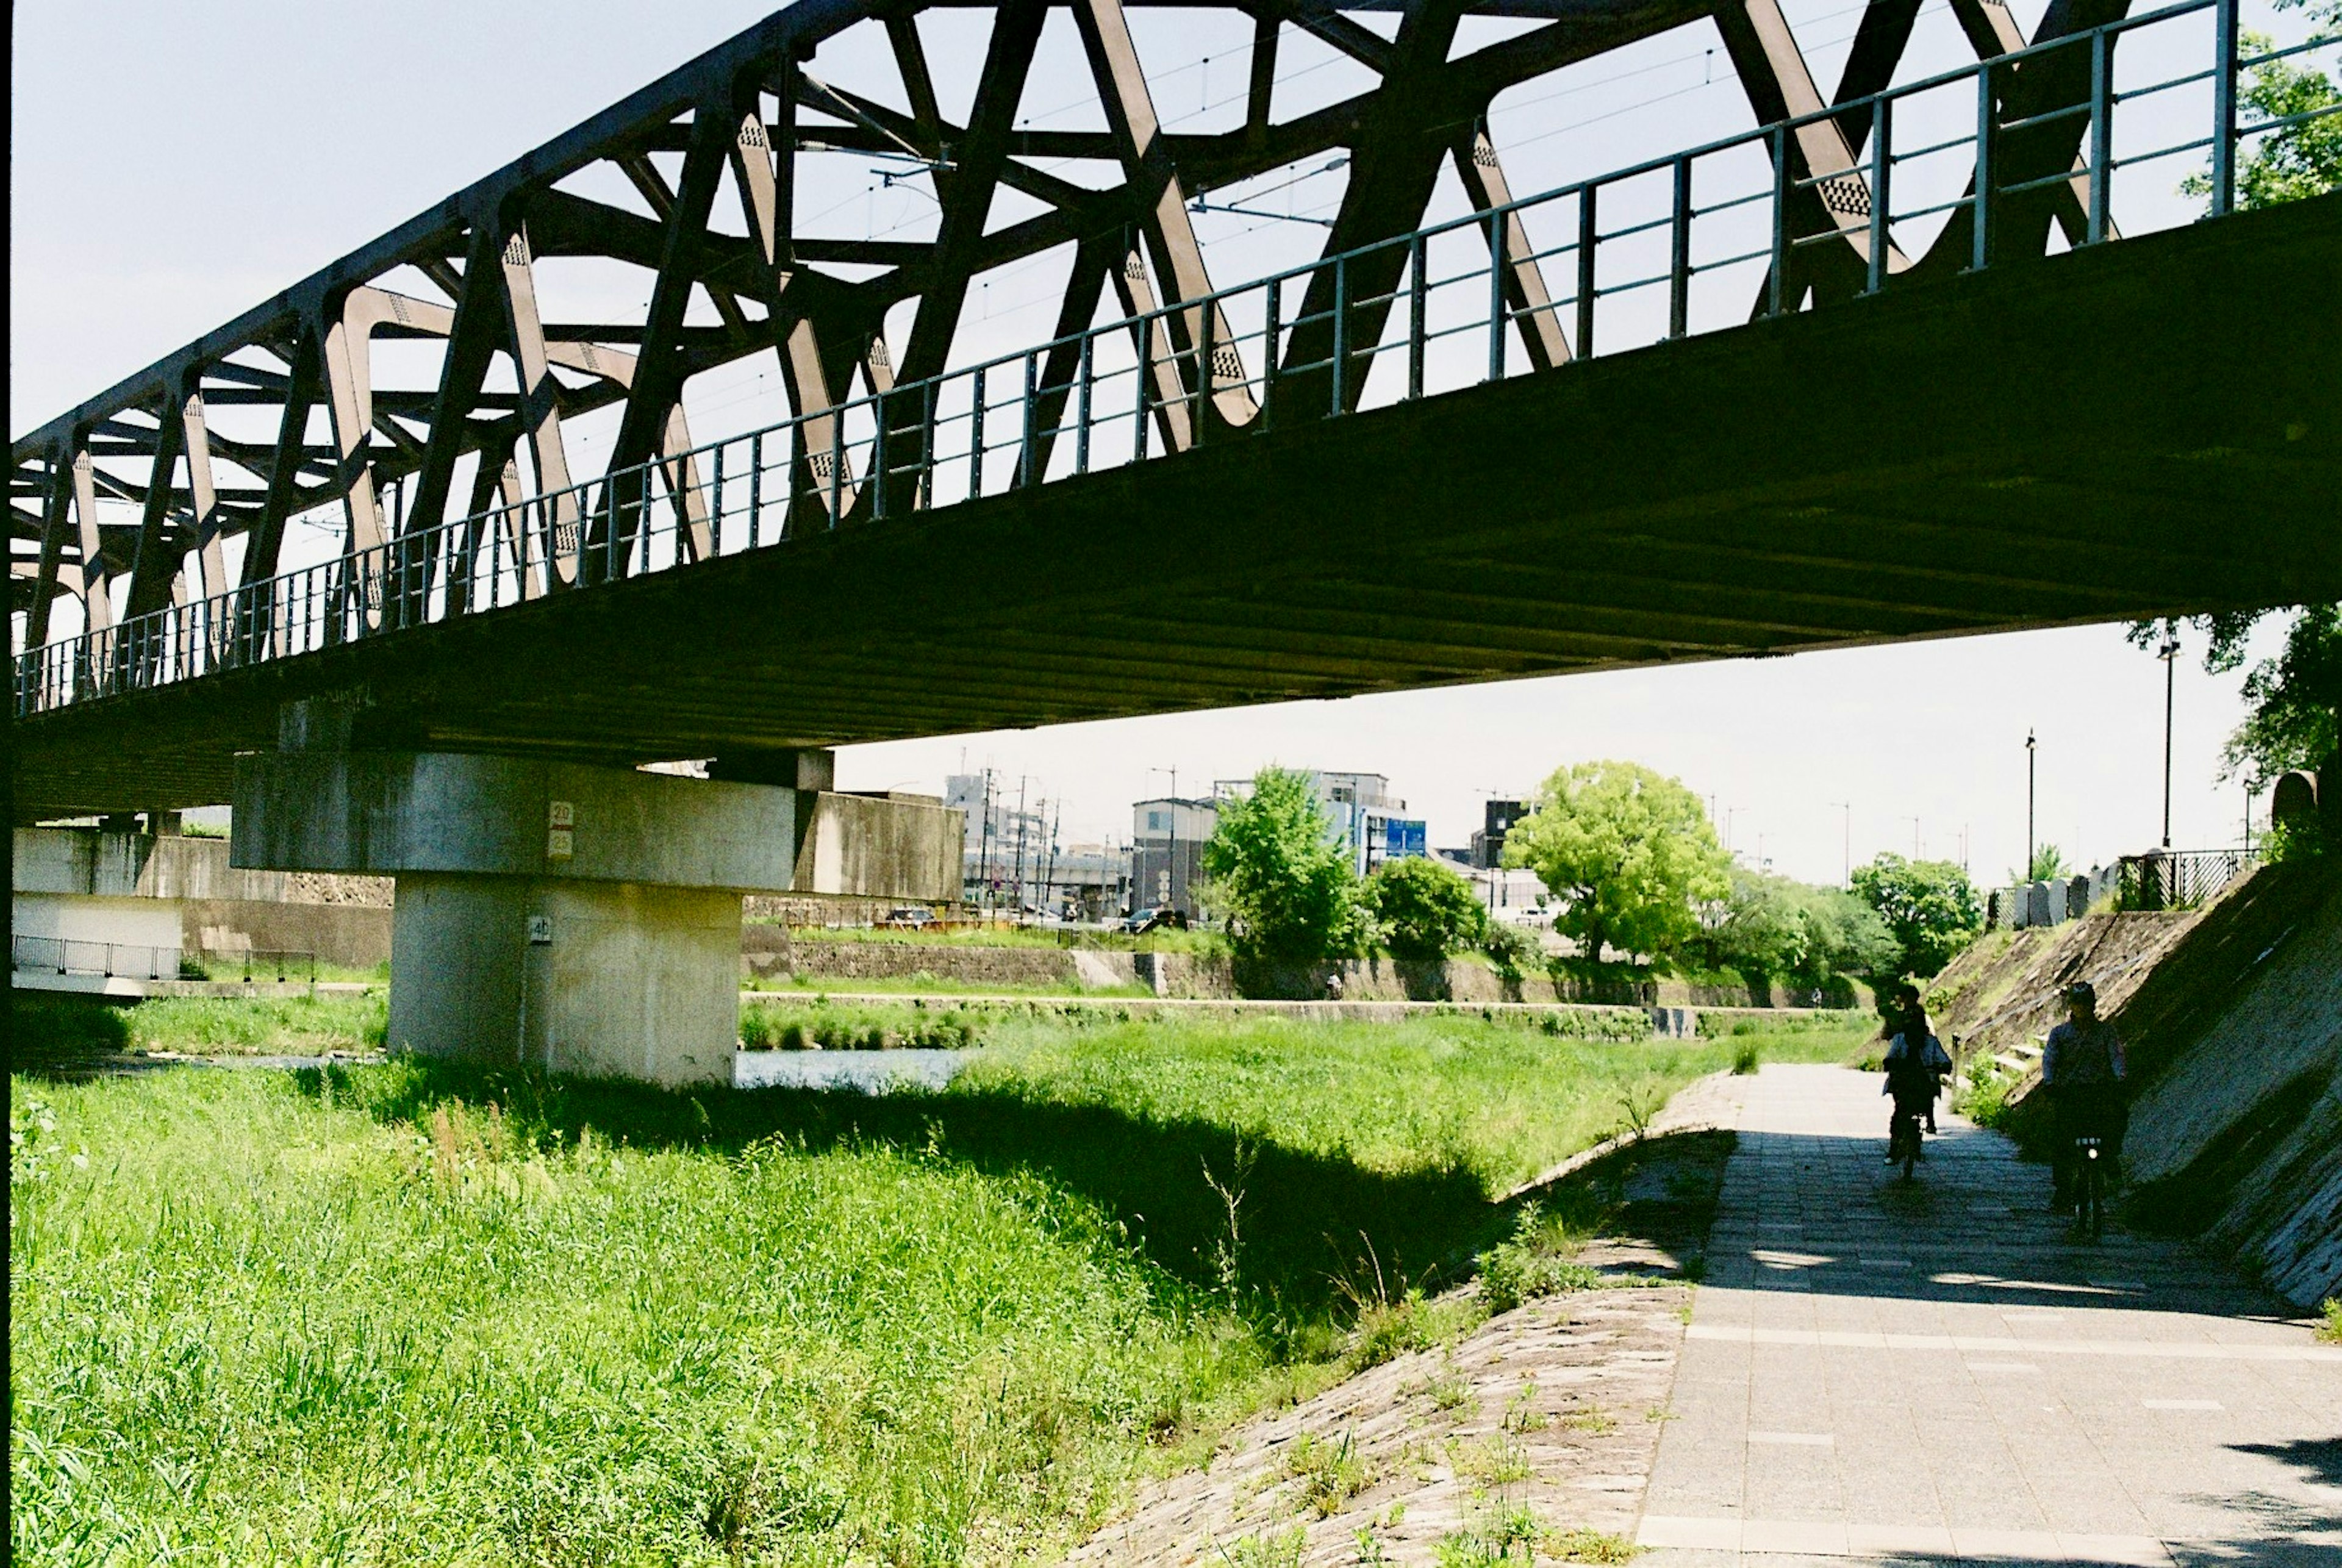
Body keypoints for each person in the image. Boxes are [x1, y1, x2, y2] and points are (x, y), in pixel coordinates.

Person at [2042, 979, 2127, 1214]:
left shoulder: (2106, 1032)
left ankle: (2111, 1162)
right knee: (2062, 1141)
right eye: (2078, 1003)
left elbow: (2116, 1055)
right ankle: (2062, 1191)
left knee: (2116, 1118)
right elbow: (2050, 1059)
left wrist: (2120, 1076)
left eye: (2086, 1003)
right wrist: (2049, 1082)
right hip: (2070, 1093)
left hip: (2098, 1092)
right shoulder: (2060, 1034)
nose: (2082, 1008)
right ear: (2072, 1006)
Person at [1880, 981, 1952, 1161]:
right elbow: (1889, 1058)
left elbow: (1945, 1061)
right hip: (1903, 1083)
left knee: (1927, 1096)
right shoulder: (1900, 1040)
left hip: (1923, 1083)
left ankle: (1929, 1121)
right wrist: (1891, 1063)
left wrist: (1943, 1067)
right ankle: (1894, 1147)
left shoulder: (1930, 1043)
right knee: (1899, 1112)